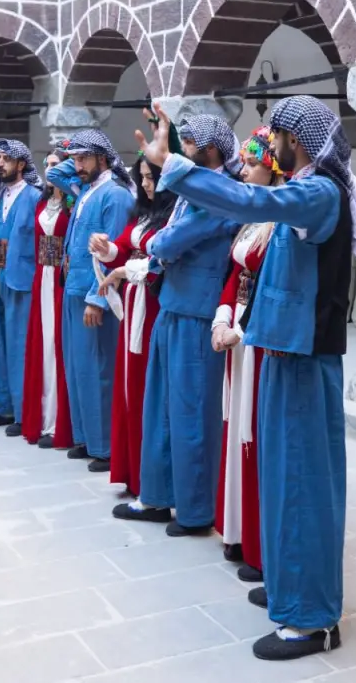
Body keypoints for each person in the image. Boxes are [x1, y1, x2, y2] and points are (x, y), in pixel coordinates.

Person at [136, 95, 356, 661]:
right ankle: (290, 589)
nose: (273, 145)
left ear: (300, 140)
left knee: (303, 485)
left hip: (304, 360)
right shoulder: (306, 190)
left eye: (280, 135)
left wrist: (172, 163)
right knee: (280, 480)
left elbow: (242, 197)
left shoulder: (318, 193)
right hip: (281, 352)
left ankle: (311, 621)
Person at [113, 114, 239, 536]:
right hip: (173, 302)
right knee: (161, 407)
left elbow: (171, 239)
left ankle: (195, 509)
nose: (185, 150)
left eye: (191, 145)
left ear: (213, 150)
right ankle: (157, 496)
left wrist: (153, 244)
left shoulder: (221, 191)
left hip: (197, 312)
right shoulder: (193, 186)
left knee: (190, 414)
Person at [212, 127, 285, 582]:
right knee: (234, 426)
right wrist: (221, 318)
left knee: (251, 431)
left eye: (253, 164)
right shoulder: (250, 219)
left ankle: (259, 543)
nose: (244, 170)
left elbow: (271, 286)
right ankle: (238, 531)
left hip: (256, 336)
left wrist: (244, 329)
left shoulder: (279, 224)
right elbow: (233, 273)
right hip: (236, 327)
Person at [92, 141, 178, 497]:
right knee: (129, 384)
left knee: (147, 387)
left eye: (151, 177)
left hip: (154, 303)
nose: (145, 184)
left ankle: (151, 478)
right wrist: (105, 248)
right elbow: (124, 248)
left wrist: (123, 268)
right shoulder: (143, 214)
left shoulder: (174, 214)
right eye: (141, 177)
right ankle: (133, 470)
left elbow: (158, 260)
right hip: (134, 304)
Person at [46, 129, 133, 472]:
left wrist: (98, 300)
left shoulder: (115, 195)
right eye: (75, 159)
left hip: (94, 293)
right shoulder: (85, 189)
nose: (77, 165)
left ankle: (105, 445)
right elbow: (54, 173)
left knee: (99, 370)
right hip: (73, 287)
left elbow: (114, 253)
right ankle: (86, 437)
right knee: (78, 367)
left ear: (103, 158)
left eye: (84, 158)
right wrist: (75, 159)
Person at [0, 140, 42, 435]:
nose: (0, 163)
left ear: (21, 164)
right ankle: (0, 406)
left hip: (21, 278)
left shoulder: (33, 196)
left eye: (7, 159)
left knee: (19, 346)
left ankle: (21, 412)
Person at [21, 151, 74, 449]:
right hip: (42, 275)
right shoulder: (43, 203)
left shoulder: (74, 203)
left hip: (61, 280)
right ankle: (41, 417)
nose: (51, 170)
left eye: (57, 165)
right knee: (41, 344)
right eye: (48, 165)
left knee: (57, 344)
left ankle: (59, 422)